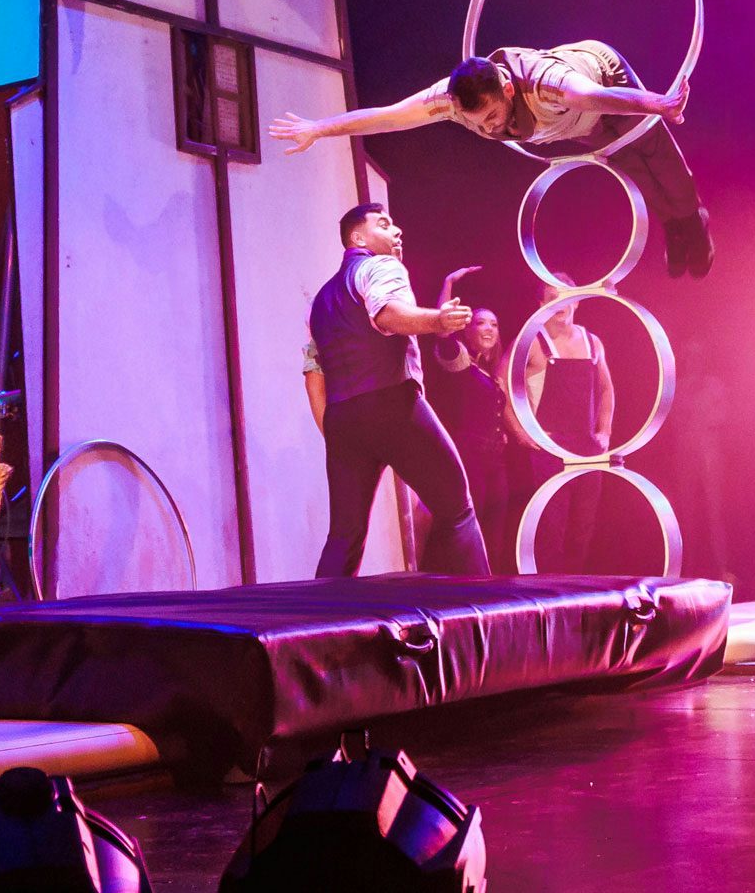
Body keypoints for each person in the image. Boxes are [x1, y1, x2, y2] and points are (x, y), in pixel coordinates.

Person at [269, 40, 714, 278]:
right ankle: (675, 224)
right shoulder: (452, 100)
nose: (487, 131)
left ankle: (692, 221)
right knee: (634, 172)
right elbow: (387, 118)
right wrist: (319, 128)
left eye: (492, 118)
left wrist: (657, 103)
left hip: (604, 83)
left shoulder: (543, 82)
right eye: (476, 124)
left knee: (653, 153)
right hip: (576, 126)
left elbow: (592, 94)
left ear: (506, 90)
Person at [303, 204, 492, 578]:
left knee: (344, 534)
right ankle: (486, 616)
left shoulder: (321, 301)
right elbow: (388, 314)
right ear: (357, 238)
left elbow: (314, 372)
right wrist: (437, 319)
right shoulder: (380, 266)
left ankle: (317, 626)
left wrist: (335, 434)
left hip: (343, 419)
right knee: (456, 508)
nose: (397, 231)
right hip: (392, 404)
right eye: (384, 225)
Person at [428, 266, 520, 574]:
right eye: (481, 323)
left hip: (496, 461)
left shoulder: (489, 374)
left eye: (494, 324)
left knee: (494, 533)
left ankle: (487, 592)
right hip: (469, 458)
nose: (490, 329)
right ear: (468, 330)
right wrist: (448, 283)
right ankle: (459, 590)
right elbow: (442, 332)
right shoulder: (459, 364)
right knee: (470, 529)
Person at [521, 277, 614, 572]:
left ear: (576, 301)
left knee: (583, 527)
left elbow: (606, 389)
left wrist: (604, 431)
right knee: (552, 526)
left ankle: (577, 593)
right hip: (550, 446)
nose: (558, 303)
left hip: (587, 447)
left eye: (565, 296)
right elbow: (502, 382)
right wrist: (522, 433)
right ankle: (553, 595)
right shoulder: (533, 342)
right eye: (551, 297)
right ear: (541, 305)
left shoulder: (592, 341)